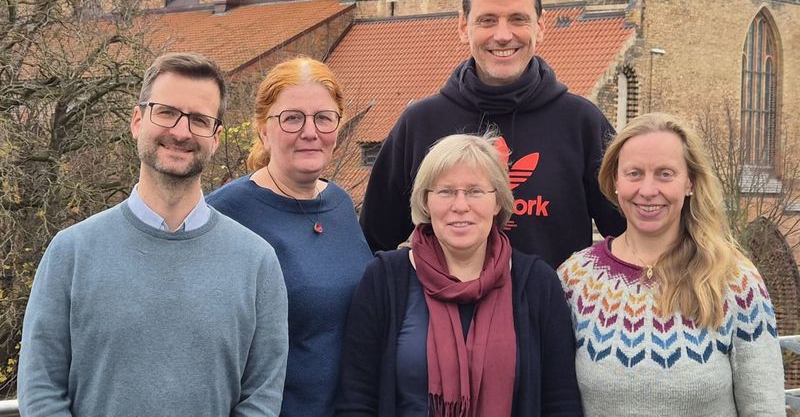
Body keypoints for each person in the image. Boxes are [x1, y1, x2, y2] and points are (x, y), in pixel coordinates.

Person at [17, 52, 289, 416]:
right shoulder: (71, 253)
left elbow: (262, 398)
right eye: (166, 112)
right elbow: (41, 391)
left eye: (198, 119)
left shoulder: (257, 263)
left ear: (216, 137)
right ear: (136, 120)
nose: (180, 131)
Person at [360, 0, 625, 267]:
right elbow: (370, 243)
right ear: (463, 26)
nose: (502, 35)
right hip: (445, 315)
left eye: (517, 19)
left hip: (550, 314)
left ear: (540, 26)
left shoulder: (581, 124)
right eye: (487, 20)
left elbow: (630, 240)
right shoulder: (421, 123)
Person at [337, 133, 583, 416]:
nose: (460, 205)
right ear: (426, 201)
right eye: (446, 191)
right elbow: (357, 400)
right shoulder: (385, 279)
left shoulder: (536, 283)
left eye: (475, 191)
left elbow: (561, 402)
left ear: (498, 202)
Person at [557, 112, 784, 416]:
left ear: (689, 182)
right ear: (614, 182)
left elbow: (764, 407)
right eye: (634, 173)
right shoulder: (575, 280)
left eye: (665, 174)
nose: (648, 190)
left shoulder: (734, 280)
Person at [207, 57, 372, 416]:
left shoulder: (340, 205)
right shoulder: (225, 214)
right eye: (292, 118)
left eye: (323, 118)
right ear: (264, 129)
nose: (310, 132)